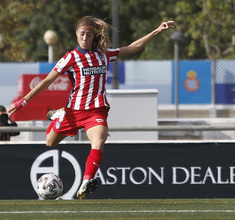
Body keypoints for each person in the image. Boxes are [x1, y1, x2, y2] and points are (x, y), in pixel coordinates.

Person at [8, 16, 175, 199]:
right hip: (73, 111)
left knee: (99, 141)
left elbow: (135, 47)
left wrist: (158, 30)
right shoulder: (71, 57)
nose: (85, 37)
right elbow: (47, 81)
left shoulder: (104, 54)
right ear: (76, 35)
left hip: (96, 110)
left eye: (89, 34)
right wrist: (23, 101)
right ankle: (59, 114)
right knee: (50, 142)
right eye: (82, 34)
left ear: (94, 36)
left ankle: (86, 180)